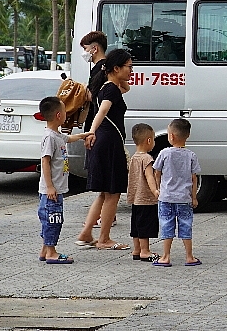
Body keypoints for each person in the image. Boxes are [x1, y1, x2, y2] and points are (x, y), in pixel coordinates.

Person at [75, 48, 132, 250]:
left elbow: (128, 87)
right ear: (116, 68)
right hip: (109, 142)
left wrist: (117, 74)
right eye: (128, 67)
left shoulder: (107, 86)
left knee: (104, 193)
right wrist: (91, 131)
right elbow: (104, 110)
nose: (131, 71)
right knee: (113, 193)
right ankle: (104, 239)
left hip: (105, 141)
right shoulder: (110, 90)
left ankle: (86, 233)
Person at [37, 96, 91, 264]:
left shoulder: (57, 135)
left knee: (50, 219)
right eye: (64, 110)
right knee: (53, 220)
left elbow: (69, 139)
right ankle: (52, 252)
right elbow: (45, 161)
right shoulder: (50, 138)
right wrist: (50, 186)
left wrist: (84, 135)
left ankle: (45, 250)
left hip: (57, 188)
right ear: (59, 115)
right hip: (51, 191)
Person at [152, 118, 201, 267]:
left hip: (166, 197)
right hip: (184, 198)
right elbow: (194, 178)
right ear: (188, 136)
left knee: (167, 225)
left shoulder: (164, 153)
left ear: (171, 136)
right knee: (186, 225)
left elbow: (157, 172)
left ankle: (165, 256)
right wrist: (194, 197)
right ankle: (189, 256)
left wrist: (158, 188)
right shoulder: (191, 155)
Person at [127, 123, 160, 262]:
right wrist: (155, 191)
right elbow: (149, 176)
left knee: (136, 224)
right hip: (146, 198)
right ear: (148, 140)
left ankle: (137, 250)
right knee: (145, 225)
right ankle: (145, 251)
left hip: (135, 198)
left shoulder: (133, 157)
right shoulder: (147, 159)